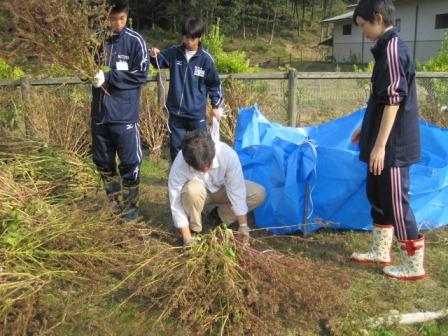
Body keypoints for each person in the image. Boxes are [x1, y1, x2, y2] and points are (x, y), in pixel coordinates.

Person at [350, 0, 425, 280]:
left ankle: (413, 262)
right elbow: (379, 100)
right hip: (379, 138)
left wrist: (380, 145)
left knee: (395, 200)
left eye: (363, 26)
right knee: (378, 194)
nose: (362, 31)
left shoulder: (392, 49)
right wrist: (364, 129)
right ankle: (381, 250)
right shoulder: (384, 49)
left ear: (378, 19)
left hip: (393, 144)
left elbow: (393, 101)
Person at [90, 0, 148, 221]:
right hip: (100, 114)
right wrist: (89, 75)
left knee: (130, 161)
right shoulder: (96, 40)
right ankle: (113, 202)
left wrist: (110, 76)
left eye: (121, 18)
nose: (117, 23)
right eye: (113, 19)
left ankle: (131, 205)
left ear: (127, 16)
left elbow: (141, 75)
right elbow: (83, 65)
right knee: (103, 161)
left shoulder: (136, 42)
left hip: (124, 115)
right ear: (106, 18)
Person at [168, 130, 266, 246]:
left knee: (258, 193)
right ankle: (194, 228)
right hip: (197, 193)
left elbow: (237, 190)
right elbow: (175, 201)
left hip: (222, 189)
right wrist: (186, 237)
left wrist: (243, 225)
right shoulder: (181, 163)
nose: (206, 170)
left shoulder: (227, 155)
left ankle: (218, 217)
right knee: (192, 191)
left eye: (208, 166)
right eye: (200, 169)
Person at [149, 17, 224, 161]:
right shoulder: (174, 52)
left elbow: (214, 84)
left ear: (199, 37)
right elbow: (159, 60)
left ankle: (199, 180)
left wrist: (216, 105)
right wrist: (154, 56)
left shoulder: (206, 60)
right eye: (186, 38)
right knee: (177, 148)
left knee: (200, 148)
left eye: (192, 39)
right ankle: (179, 179)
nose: (189, 42)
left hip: (196, 115)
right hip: (175, 114)